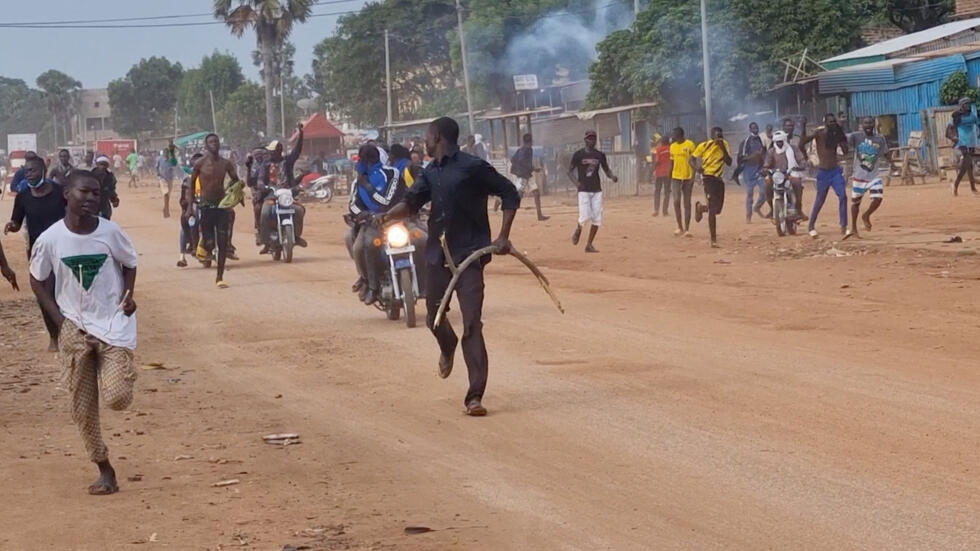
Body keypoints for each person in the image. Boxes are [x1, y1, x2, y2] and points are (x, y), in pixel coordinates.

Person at [383, 117, 520, 417]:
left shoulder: (473, 167)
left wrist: (503, 237)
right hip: (437, 256)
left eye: (427, 138)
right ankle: (447, 346)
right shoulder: (430, 173)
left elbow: (510, 192)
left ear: (438, 137)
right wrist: (387, 216)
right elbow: (411, 202)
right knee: (434, 318)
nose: (424, 143)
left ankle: (474, 396)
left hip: (470, 256)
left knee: (472, 323)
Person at [29, 169, 139, 496]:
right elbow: (37, 279)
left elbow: (130, 263)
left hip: (112, 323)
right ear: (67, 194)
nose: (91, 198)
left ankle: (121, 374)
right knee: (83, 407)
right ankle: (104, 469)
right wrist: (59, 321)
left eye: (96, 193)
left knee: (118, 397)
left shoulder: (111, 233)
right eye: (84, 192)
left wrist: (128, 295)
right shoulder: (50, 239)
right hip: (73, 329)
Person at [5, 156, 66, 350]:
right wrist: (12, 226)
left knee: (64, 292)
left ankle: (71, 332)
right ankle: (54, 336)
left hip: (64, 249)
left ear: (43, 170)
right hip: (38, 252)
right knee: (44, 295)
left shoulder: (59, 192)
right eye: (26, 171)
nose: (29, 174)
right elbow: (17, 220)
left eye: (33, 170)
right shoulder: (23, 197)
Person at [346, 144, 401, 304]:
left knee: (422, 239)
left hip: (396, 218)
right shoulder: (358, 180)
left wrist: (368, 187)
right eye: (364, 159)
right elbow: (353, 205)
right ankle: (371, 284)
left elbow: (387, 201)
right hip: (372, 223)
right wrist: (366, 214)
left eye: (369, 159)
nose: (366, 163)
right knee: (364, 246)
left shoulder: (392, 173)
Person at [189, 134, 240, 288]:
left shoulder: (226, 164)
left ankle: (220, 276)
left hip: (222, 206)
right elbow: (191, 185)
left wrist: (235, 194)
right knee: (209, 241)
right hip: (205, 206)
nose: (214, 144)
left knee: (223, 241)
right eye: (211, 142)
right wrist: (190, 207)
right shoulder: (200, 163)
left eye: (216, 141)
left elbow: (235, 181)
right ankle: (205, 247)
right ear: (206, 145)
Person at [258, 124, 308, 252]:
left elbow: (297, 151)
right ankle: (266, 240)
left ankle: (296, 236)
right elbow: (261, 178)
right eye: (270, 150)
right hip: (271, 195)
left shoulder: (287, 161)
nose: (270, 152)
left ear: (278, 151)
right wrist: (262, 185)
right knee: (264, 213)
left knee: (299, 211)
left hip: (288, 195)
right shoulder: (266, 164)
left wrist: (301, 134)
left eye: (273, 150)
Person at [568, 130, 617, 253]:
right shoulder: (578, 154)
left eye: (593, 139)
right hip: (583, 190)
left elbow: (607, 170)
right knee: (585, 216)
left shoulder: (599, 155)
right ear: (585, 140)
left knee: (597, 218)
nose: (592, 141)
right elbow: (569, 171)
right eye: (589, 139)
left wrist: (612, 176)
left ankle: (589, 244)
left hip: (596, 189)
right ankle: (578, 229)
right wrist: (576, 183)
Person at [801, 113, 849, 238]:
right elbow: (802, 143)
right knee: (819, 200)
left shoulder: (836, 134)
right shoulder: (819, 133)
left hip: (835, 171)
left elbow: (845, 151)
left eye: (834, 122)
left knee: (843, 196)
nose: (833, 124)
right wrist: (803, 126)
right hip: (823, 172)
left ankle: (844, 226)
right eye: (830, 122)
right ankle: (811, 226)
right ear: (825, 122)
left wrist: (841, 136)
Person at [843, 116, 888, 240]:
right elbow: (843, 141)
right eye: (865, 123)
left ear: (874, 124)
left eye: (870, 123)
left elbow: (885, 153)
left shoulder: (880, 138)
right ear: (861, 125)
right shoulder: (856, 137)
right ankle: (853, 228)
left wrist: (892, 163)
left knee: (878, 198)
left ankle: (866, 215)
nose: (868, 125)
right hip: (859, 175)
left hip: (874, 175)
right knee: (856, 203)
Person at [693, 127, 732, 247]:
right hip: (707, 178)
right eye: (717, 135)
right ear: (712, 136)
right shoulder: (704, 145)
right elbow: (692, 159)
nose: (719, 138)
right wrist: (697, 168)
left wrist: (722, 148)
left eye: (721, 135)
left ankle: (700, 208)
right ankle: (713, 239)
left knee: (717, 209)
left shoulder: (725, 144)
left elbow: (729, 162)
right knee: (712, 209)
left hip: (719, 179)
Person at [763, 130, 807, 220]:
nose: (779, 143)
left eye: (781, 141)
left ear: (784, 140)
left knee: (797, 183)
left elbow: (801, 160)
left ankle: (799, 210)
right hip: (777, 176)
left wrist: (802, 165)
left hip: (791, 173)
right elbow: (767, 163)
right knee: (767, 184)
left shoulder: (793, 149)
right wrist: (765, 169)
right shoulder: (771, 151)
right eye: (777, 142)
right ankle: (772, 209)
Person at [511, 133, 549, 221]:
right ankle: (501, 202)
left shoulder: (523, 149)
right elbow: (522, 161)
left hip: (527, 174)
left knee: (536, 192)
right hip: (524, 175)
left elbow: (513, 159)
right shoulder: (526, 150)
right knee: (518, 195)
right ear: (531, 141)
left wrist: (530, 168)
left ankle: (539, 215)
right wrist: (533, 168)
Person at [735, 122, 767, 222]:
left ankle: (757, 207)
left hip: (759, 170)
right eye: (753, 128)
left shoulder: (760, 140)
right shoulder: (746, 141)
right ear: (750, 130)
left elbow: (763, 154)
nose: (755, 130)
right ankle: (748, 216)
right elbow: (741, 158)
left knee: (764, 191)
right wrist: (753, 156)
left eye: (756, 128)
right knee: (750, 194)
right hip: (748, 171)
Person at [178, 153, 205, 268]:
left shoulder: (209, 177)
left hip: (207, 204)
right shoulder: (187, 180)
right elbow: (184, 198)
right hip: (194, 205)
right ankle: (185, 253)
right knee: (190, 221)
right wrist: (188, 206)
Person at [669, 127, 697, 237]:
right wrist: (669, 177)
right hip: (676, 177)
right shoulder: (672, 146)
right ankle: (679, 227)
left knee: (687, 202)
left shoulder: (690, 145)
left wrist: (693, 177)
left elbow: (694, 161)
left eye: (674, 134)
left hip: (687, 177)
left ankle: (687, 228)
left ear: (679, 135)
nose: (672, 136)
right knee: (676, 201)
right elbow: (671, 163)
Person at [948, 97, 979, 196]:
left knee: (968, 166)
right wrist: (953, 138)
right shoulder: (957, 117)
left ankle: (972, 188)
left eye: (968, 104)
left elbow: (978, 125)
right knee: (967, 163)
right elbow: (949, 130)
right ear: (961, 106)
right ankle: (957, 185)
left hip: (971, 142)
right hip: (962, 143)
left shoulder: (973, 116)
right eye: (965, 104)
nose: (967, 106)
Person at [156, 142, 178, 219]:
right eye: (165, 152)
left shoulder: (172, 159)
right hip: (163, 179)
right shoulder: (159, 159)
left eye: (167, 152)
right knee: (165, 193)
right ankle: (166, 209)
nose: (166, 154)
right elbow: (157, 167)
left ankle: (166, 207)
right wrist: (158, 176)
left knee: (168, 194)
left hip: (170, 179)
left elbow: (175, 167)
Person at [651, 136, 672, 216]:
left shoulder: (658, 149)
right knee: (667, 192)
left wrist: (652, 169)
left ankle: (656, 210)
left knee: (657, 191)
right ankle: (665, 211)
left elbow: (657, 161)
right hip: (667, 173)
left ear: (661, 142)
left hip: (659, 173)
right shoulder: (671, 149)